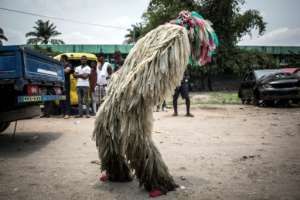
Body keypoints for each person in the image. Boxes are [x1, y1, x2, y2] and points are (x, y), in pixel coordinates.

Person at [60, 55, 72, 119]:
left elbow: (67, 71)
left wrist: (59, 70)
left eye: (61, 58)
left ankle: (67, 114)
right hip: (60, 84)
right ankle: (62, 113)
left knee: (66, 98)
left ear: (64, 59)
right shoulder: (60, 65)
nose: (60, 59)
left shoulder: (69, 65)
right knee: (61, 98)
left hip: (66, 83)